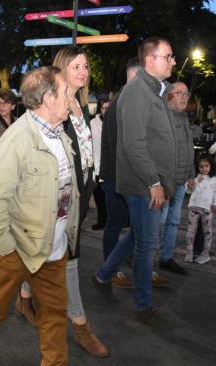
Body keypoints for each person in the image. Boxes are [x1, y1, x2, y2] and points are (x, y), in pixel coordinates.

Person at [0, 66, 94, 366]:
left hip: (53, 246)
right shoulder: (17, 139)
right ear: (48, 98)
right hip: (16, 247)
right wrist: (6, 250)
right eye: (64, 91)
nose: (70, 97)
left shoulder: (60, 132)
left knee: (54, 315)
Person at [16, 46, 109, 359]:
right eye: (76, 66)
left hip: (80, 194)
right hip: (58, 196)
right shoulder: (51, 105)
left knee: (53, 254)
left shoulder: (82, 105)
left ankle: (24, 295)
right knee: (69, 260)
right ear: (61, 69)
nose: (83, 72)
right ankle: (81, 326)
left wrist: (91, 183)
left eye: (86, 66)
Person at [92, 37, 178, 329]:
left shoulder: (152, 90)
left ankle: (104, 274)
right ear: (150, 60)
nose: (173, 61)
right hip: (143, 185)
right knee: (147, 243)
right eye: (168, 56)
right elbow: (134, 144)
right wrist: (155, 181)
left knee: (138, 236)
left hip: (149, 183)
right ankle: (143, 303)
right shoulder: (139, 92)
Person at [93, 57, 140, 291]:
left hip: (120, 177)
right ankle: (110, 269)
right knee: (116, 224)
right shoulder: (122, 104)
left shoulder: (126, 102)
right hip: (116, 178)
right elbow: (125, 147)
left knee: (127, 225)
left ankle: (115, 266)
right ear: (135, 76)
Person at [158, 82, 196, 275]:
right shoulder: (163, 117)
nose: (184, 97)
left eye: (186, 93)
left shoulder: (184, 118)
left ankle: (165, 258)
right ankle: (144, 256)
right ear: (168, 95)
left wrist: (191, 174)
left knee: (173, 221)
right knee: (159, 220)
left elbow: (188, 149)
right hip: (167, 181)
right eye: (179, 93)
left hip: (181, 180)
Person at [184, 157, 216, 264]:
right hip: (194, 207)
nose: (204, 169)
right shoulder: (195, 178)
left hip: (207, 209)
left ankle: (205, 254)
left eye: (206, 166)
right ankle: (189, 253)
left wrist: (215, 203)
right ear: (197, 167)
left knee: (207, 232)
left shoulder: (214, 180)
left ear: (211, 166)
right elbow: (188, 190)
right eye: (201, 166)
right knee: (190, 232)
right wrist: (193, 183)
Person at [90, 100, 109, 230]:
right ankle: (101, 221)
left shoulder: (117, 122)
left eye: (108, 108)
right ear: (99, 109)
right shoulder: (92, 124)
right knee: (99, 198)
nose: (105, 110)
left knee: (113, 199)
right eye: (103, 108)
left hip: (112, 169)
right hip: (97, 168)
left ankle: (118, 221)